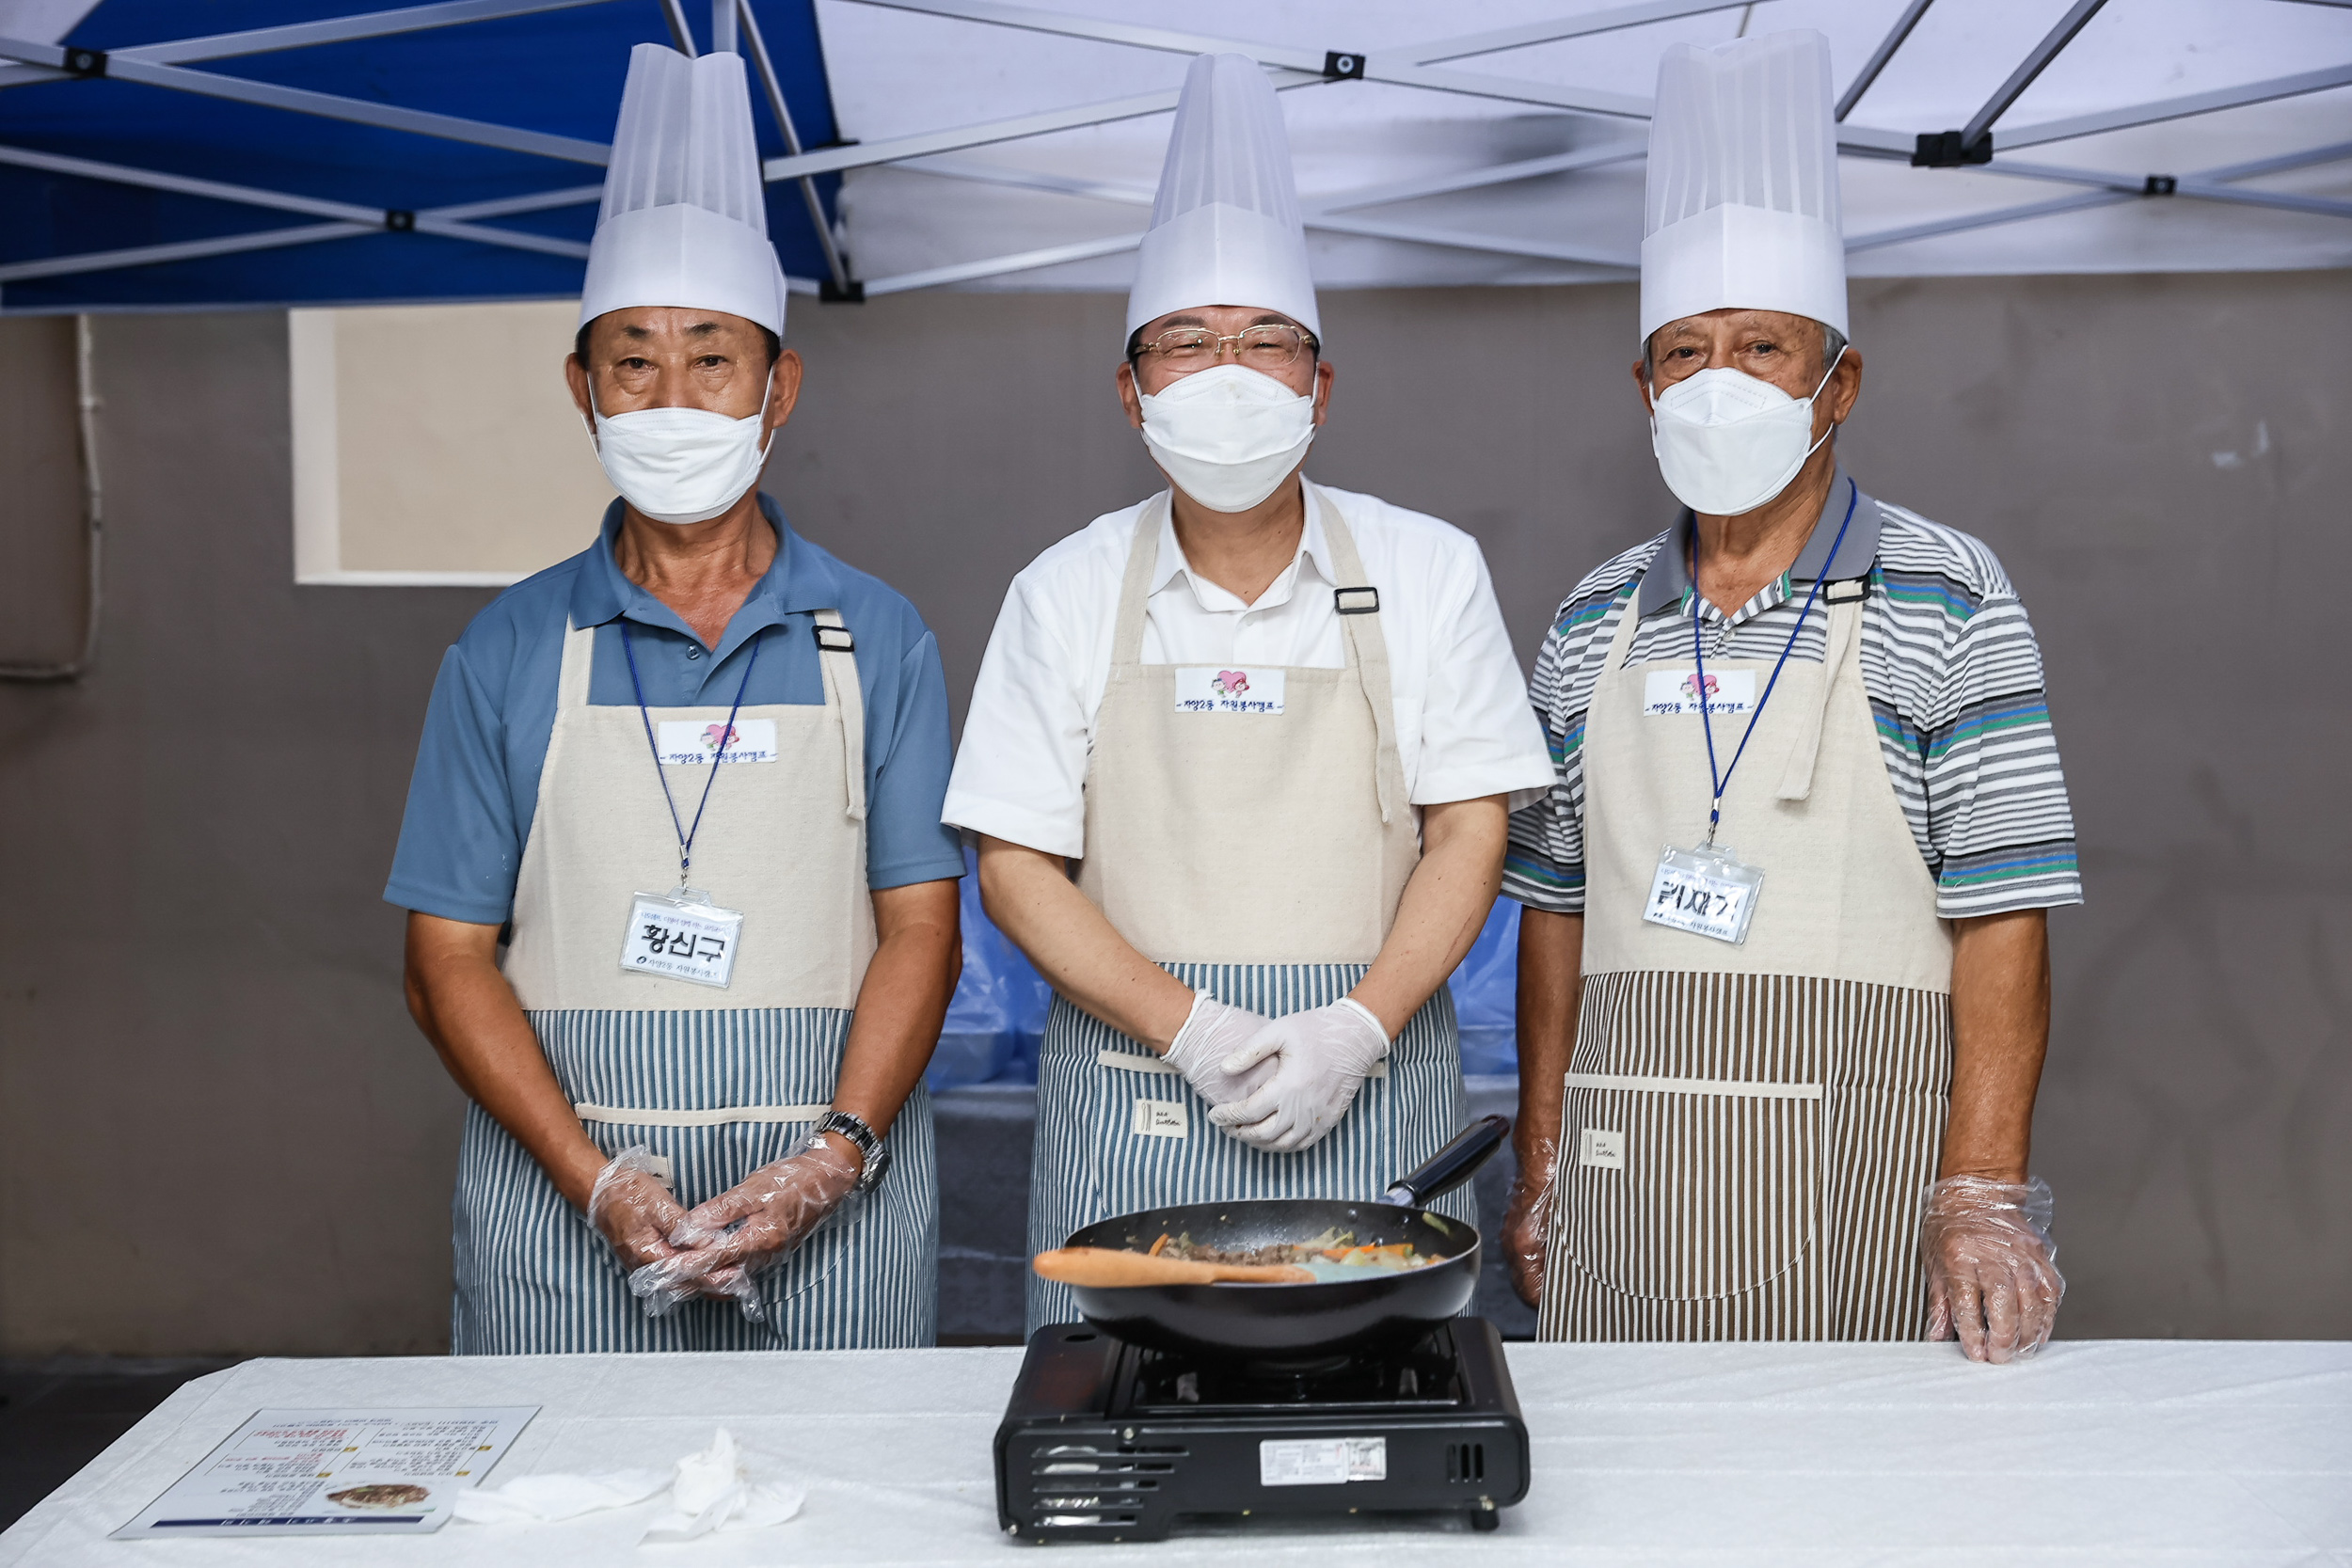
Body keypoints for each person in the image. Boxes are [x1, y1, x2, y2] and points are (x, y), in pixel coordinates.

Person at [944, 53, 1555, 1333]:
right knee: (1119, 1406)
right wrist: (1194, 1032)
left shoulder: (1427, 567)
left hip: (1375, 1086)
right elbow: (1013, 868)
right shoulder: (1062, 589)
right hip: (1136, 1096)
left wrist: (1356, 1031)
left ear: (1321, 388)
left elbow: (1472, 828)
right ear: (1131, 391)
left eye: (1267, 342)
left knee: (1378, 1431)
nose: (1228, 371)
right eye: (1186, 342)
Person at [1501, 30, 2078, 1363]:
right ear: (1644, 390)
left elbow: (2004, 916)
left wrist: (1981, 1198)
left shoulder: (1947, 592)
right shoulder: (1595, 616)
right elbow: (1552, 910)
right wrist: (1540, 1159)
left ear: (1839, 385)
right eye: (1686, 352)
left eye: (1762, 348)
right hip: (1626, 1179)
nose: (1720, 380)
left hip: (1859, 1187)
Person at [386, 43, 963, 1353]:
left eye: (712, 358)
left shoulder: (876, 635)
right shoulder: (511, 645)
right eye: (634, 362)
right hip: (560, 1204)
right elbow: (443, 962)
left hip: (838, 1208)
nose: (673, 395)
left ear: (778, 388)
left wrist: (834, 1156)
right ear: (582, 387)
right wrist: (595, 1176)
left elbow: (923, 928)